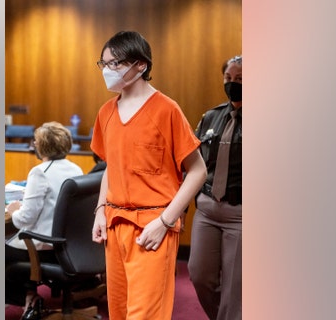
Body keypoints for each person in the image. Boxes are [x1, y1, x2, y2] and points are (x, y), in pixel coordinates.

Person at [90, 31, 207, 320]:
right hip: (116, 226)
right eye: (103, 64)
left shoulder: (167, 110)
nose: (107, 71)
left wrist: (165, 221)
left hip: (152, 227)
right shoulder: (106, 112)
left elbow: (198, 171)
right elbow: (110, 168)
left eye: (115, 63)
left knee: (144, 315)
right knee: (118, 312)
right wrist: (100, 210)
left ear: (140, 65)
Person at [5, 121, 83, 320]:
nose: (34, 144)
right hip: (70, 248)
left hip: (45, 248)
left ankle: (28, 297)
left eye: (36, 141)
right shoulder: (76, 169)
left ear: (42, 145)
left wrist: (14, 210)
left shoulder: (40, 172)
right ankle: (30, 296)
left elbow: (25, 218)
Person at [188, 55, 243, 320]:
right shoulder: (211, 117)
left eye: (241, 79)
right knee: (199, 276)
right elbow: (194, 163)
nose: (233, 84)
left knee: (235, 291)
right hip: (207, 210)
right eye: (229, 79)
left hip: (241, 214)